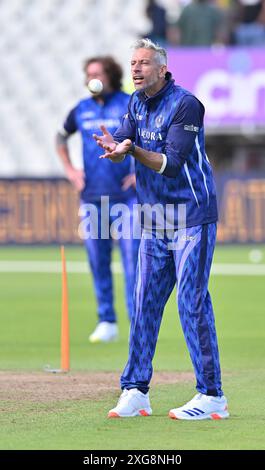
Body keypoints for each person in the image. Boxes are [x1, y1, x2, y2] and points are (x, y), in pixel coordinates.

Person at [93, 38, 229, 420]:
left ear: (163, 70)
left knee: (191, 300)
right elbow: (125, 135)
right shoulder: (135, 102)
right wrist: (118, 145)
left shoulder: (186, 103)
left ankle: (212, 395)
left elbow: (170, 163)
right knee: (144, 304)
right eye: (132, 63)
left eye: (143, 64)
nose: (135, 69)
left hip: (192, 215)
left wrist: (131, 150)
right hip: (155, 220)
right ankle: (135, 389)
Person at [56, 56, 139, 343]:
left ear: (110, 76)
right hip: (92, 198)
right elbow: (60, 137)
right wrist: (70, 170)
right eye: (89, 73)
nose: (93, 78)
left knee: (132, 260)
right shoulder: (81, 109)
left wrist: (141, 172)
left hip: (128, 199)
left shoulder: (129, 103)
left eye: (98, 73)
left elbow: (151, 138)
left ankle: (136, 322)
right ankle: (107, 321)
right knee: (97, 260)